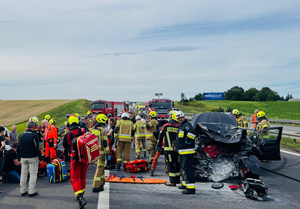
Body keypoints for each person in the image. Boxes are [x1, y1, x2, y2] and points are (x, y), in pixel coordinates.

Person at [65, 115, 87, 209]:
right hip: (85, 159)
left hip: (75, 159)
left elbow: (65, 145)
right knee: (82, 177)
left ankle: (80, 197)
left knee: (74, 178)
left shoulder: (68, 134)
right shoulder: (84, 130)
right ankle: (81, 193)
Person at [18, 120, 43, 197]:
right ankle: (31, 191)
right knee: (33, 174)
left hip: (23, 157)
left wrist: (19, 156)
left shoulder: (20, 135)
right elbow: (36, 148)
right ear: (33, 127)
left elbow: (18, 147)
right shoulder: (34, 135)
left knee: (23, 174)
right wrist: (41, 158)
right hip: (32, 157)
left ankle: (23, 190)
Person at [175, 111, 196, 194]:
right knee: (183, 168)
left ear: (184, 117)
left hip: (187, 151)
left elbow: (193, 133)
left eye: (181, 117)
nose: (180, 119)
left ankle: (191, 188)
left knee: (188, 169)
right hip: (183, 151)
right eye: (178, 118)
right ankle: (185, 184)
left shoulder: (187, 125)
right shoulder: (181, 126)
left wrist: (187, 141)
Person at [157, 112, 180, 186]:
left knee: (170, 164)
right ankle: (177, 179)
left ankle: (172, 181)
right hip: (177, 150)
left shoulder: (165, 126)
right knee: (177, 164)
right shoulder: (179, 126)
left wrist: (159, 145)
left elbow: (160, 136)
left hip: (168, 149)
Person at [91, 114, 110, 192]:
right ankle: (95, 186)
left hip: (95, 153)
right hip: (101, 153)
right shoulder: (103, 130)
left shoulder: (93, 129)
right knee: (99, 169)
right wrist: (108, 153)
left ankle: (101, 184)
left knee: (101, 168)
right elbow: (105, 142)